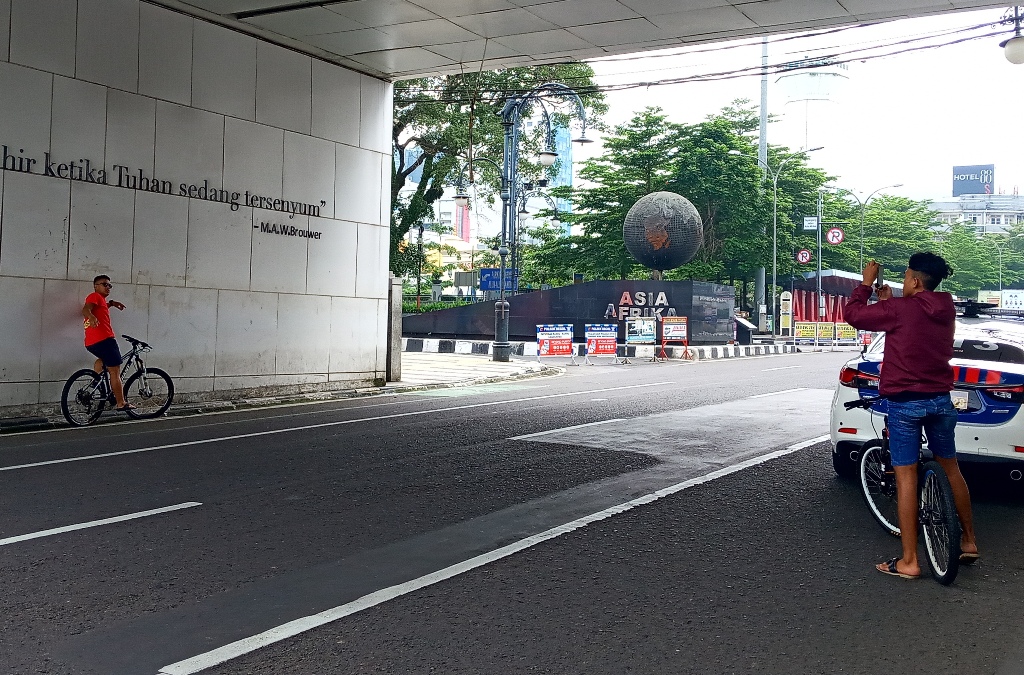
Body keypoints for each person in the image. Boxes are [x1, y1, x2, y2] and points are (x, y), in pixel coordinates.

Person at [844, 253, 979, 579]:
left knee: (906, 477)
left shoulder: (899, 309)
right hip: (940, 401)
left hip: (905, 403)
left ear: (916, 280)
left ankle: (909, 561)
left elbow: (854, 315)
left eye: (906, 277)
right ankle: (970, 542)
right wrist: (890, 302)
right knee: (950, 468)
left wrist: (865, 284)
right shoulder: (946, 308)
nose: (904, 282)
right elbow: (911, 325)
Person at [81, 275, 134, 412]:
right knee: (114, 370)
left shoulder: (101, 300)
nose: (108, 287)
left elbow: (101, 308)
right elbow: (86, 309)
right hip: (105, 339)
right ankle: (121, 403)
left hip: (91, 343)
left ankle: (95, 381)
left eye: (109, 285)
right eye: (104, 284)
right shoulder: (94, 296)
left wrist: (112, 303)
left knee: (103, 361)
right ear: (95, 286)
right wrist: (91, 316)